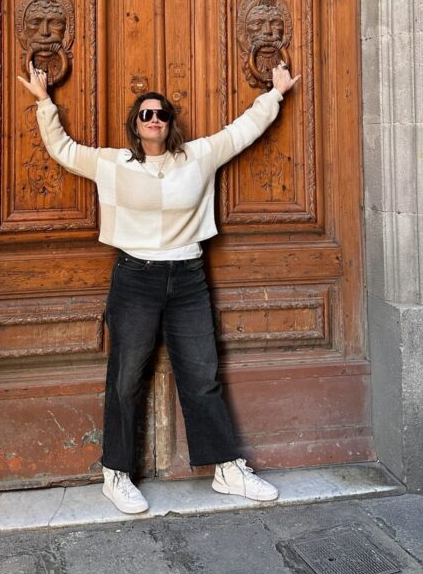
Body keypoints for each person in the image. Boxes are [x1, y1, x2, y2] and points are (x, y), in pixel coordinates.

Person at [18, 61, 299, 514]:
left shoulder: (199, 157)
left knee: (202, 375)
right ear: (135, 125)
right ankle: (116, 473)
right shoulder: (113, 164)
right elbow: (62, 149)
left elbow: (242, 130)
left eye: (161, 114)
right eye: (145, 114)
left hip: (188, 277)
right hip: (135, 278)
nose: (153, 120)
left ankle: (227, 468)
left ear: (170, 125)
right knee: (127, 378)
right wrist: (44, 102)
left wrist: (276, 93)